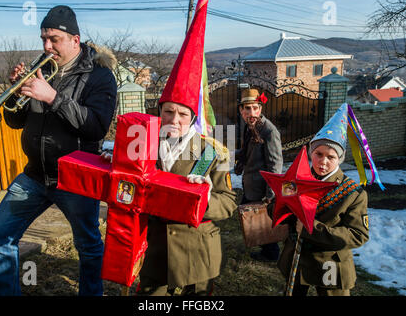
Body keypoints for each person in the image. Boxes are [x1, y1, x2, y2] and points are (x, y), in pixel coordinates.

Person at [0, 5, 117, 296]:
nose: (46, 45)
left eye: (54, 39)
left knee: (88, 245)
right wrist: (15, 95)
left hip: (76, 178)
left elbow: (95, 127)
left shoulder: (99, 76)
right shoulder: (41, 69)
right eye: (43, 38)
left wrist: (53, 97)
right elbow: (15, 121)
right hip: (35, 175)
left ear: (74, 40)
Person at [133, 101, 237, 296]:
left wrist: (204, 200)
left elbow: (228, 202)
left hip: (197, 248)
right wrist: (118, 164)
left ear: (193, 118)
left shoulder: (213, 152)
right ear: (159, 112)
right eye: (169, 112)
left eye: (183, 114)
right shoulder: (142, 145)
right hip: (155, 247)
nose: (174, 120)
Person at [274, 104, 370, 296]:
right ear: (311, 153)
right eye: (318, 154)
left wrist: (313, 228)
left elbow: (357, 235)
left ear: (339, 159)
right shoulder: (296, 180)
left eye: (331, 157)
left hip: (330, 263)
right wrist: (283, 204)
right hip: (297, 258)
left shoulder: (352, 193)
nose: (323, 162)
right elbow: (274, 211)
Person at [235, 88, 283, 262]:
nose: (251, 112)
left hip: (262, 189)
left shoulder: (269, 132)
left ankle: (271, 253)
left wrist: (270, 195)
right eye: (247, 108)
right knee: (251, 218)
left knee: (261, 220)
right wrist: (229, 154)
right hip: (251, 184)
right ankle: (267, 249)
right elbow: (247, 152)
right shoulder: (251, 127)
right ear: (241, 110)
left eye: (255, 108)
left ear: (260, 109)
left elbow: (275, 166)